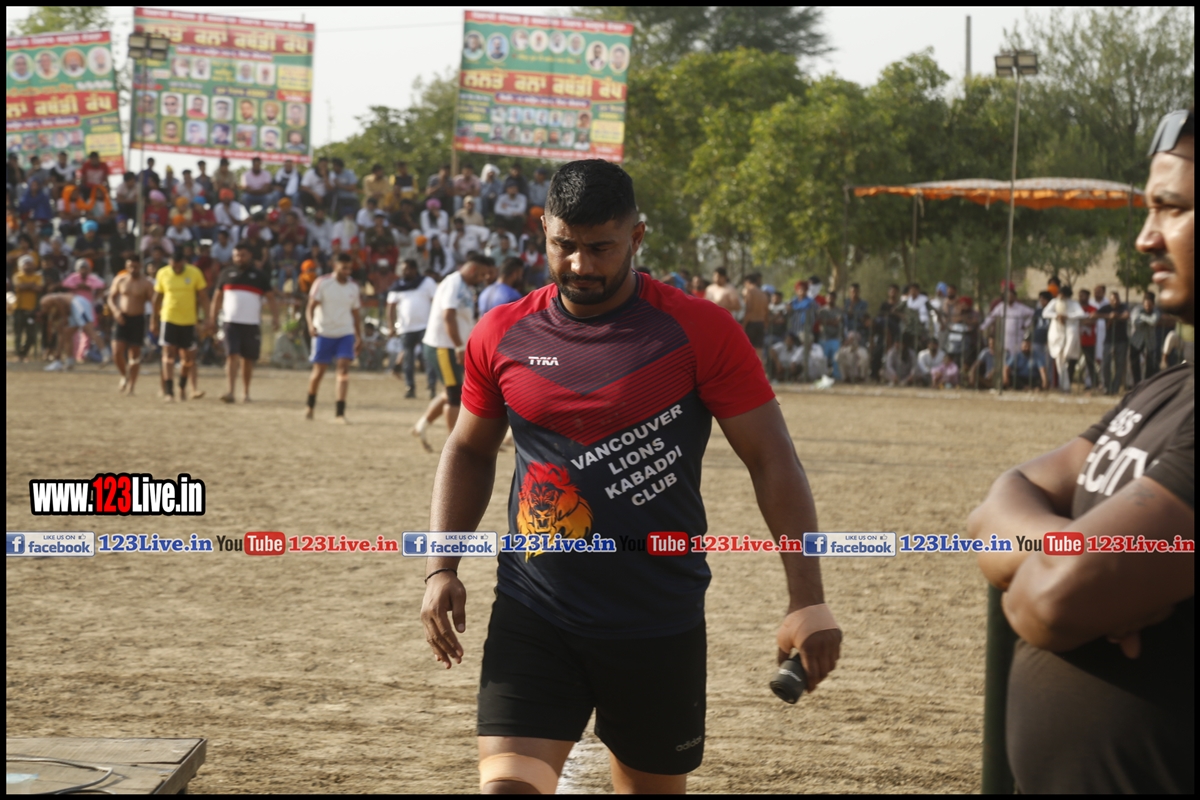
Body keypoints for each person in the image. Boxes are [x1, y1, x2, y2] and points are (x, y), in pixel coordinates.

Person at [418, 160, 840, 795]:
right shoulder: (503, 333)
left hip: (657, 620)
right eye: (565, 245)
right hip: (534, 611)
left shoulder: (699, 331)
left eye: (601, 248)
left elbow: (772, 459)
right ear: (542, 229)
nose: (580, 265)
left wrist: (807, 596)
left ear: (637, 237)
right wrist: (441, 567)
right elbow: (469, 450)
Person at [967, 108, 1194, 794]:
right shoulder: (1166, 386)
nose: (1145, 237)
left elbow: (1052, 600)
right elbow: (996, 505)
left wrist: (1052, 565)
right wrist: (1067, 553)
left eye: (1173, 209)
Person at [411, 252, 492, 450]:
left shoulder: (465, 286)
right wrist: (459, 346)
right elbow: (448, 316)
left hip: (452, 346)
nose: (483, 279)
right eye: (482, 274)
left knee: (451, 391)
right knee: (455, 394)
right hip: (444, 346)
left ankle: (421, 426)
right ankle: (456, 445)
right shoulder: (453, 283)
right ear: (473, 269)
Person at [211, 242, 279, 403]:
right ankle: (230, 391)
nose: (239, 258)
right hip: (230, 322)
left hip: (251, 323)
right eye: (236, 255)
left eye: (243, 255)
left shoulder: (260, 276)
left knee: (247, 359)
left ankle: (246, 392)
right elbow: (217, 298)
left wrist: (275, 318)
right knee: (231, 355)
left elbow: (271, 298)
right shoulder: (226, 273)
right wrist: (211, 319)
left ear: (250, 256)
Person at [304, 251, 362, 422]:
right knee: (319, 372)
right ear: (335, 266)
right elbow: (310, 306)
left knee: (343, 370)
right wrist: (310, 325)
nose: (347, 271)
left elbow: (356, 313)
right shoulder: (322, 283)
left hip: (345, 333)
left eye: (349, 268)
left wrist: (359, 336)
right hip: (324, 333)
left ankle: (340, 413)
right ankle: (310, 405)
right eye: (344, 268)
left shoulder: (353, 287)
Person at [152, 249, 211, 401]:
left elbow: (203, 297)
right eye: (174, 266)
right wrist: (154, 320)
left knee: (188, 358)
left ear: (184, 262)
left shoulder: (194, 273)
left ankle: (182, 387)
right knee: (168, 355)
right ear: (169, 263)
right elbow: (157, 299)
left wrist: (207, 318)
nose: (177, 269)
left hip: (188, 321)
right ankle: (169, 392)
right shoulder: (163, 273)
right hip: (169, 318)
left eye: (179, 266)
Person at [386, 259, 438, 399]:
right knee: (408, 359)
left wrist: (436, 322)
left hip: (426, 326)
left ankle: (431, 386)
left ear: (414, 269)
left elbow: (436, 302)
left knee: (428, 357)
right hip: (405, 329)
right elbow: (390, 307)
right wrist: (391, 326)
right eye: (402, 270)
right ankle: (410, 387)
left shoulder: (427, 282)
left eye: (407, 269)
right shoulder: (397, 286)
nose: (404, 272)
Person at [107, 255, 156, 394]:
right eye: (130, 266)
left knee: (134, 355)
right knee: (116, 351)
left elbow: (154, 303)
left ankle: (131, 385)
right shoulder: (120, 280)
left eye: (135, 266)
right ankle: (124, 375)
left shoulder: (146, 283)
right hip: (122, 318)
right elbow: (111, 297)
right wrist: (115, 311)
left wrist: (154, 320)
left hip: (137, 319)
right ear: (126, 266)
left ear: (140, 266)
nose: (133, 269)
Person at [1044, 285, 1087, 392]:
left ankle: (1065, 385)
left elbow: (1082, 314)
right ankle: (1065, 386)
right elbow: (1045, 313)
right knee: (1060, 361)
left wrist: (1067, 316)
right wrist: (1057, 316)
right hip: (1057, 335)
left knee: (1065, 357)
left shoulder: (1073, 304)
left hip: (1069, 335)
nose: (1060, 297)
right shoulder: (1054, 302)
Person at [12, 255, 44, 361]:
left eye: (30, 263)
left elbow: (39, 288)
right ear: (21, 266)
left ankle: (24, 353)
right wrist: (31, 285)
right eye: (26, 264)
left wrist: (26, 286)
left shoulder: (38, 276)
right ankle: (18, 355)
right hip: (19, 308)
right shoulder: (17, 276)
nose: (28, 266)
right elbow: (19, 286)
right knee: (18, 334)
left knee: (31, 335)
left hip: (32, 310)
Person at [1099, 289, 1130, 394]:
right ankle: (1107, 387)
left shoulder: (1123, 306)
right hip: (1108, 340)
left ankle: (1115, 388)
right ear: (1110, 300)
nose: (1115, 301)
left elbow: (1126, 315)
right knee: (1106, 364)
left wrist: (1117, 317)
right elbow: (1093, 315)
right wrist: (1109, 316)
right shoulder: (1106, 308)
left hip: (1122, 340)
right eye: (1113, 299)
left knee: (1120, 365)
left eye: (1117, 299)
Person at [1129, 292, 1162, 385]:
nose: (1147, 306)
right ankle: (1137, 385)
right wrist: (1148, 319)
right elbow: (1135, 322)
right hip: (1136, 341)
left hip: (1150, 342)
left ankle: (1147, 385)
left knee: (1150, 365)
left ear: (1153, 304)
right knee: (1134, 364)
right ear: (1143, 303)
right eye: (1146, 304)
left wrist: (1142, 317)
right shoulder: (1137, 310)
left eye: (1150, 305)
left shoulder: (1156, 311)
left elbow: (1153, 321)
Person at [741, 273, 769, 363]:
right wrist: (765, 325)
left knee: (746, 350)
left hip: (751, 324)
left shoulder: (749, 291)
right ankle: (762, 370)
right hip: (761, 323)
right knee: (759, 353)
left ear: (747, 282)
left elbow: (749, 309)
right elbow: (766, 311)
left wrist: (743, 325)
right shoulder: (763, 294)